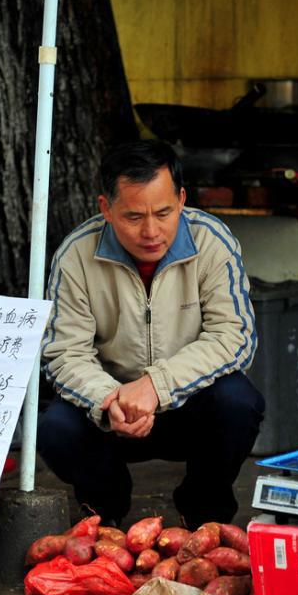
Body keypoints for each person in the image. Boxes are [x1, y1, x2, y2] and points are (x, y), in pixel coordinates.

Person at [38, 140, 264, 528]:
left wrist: (156, 385)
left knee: (239, 402)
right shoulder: (76, 254)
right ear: (105, 208)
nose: (151, 231)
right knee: (53, 426)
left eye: (164, 212)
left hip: (187, 404)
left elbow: (235, 336)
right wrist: (108, 399)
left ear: (181, 199)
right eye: (133, 216)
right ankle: (104, 508)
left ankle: (204, 510)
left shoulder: (212, 241)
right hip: (110, 414)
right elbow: (64, 353)